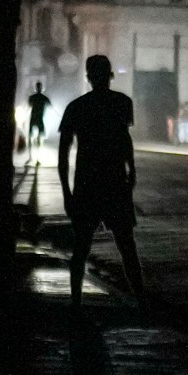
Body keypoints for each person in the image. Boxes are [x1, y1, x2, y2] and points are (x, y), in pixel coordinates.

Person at [57, 54, 147, 308]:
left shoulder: (76, 107)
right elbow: (124, 139)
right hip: (115, 182)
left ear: (88, 78)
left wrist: (67, 192)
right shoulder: (122, 103)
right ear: (109, 76)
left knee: (82, 247)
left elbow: (63, 155)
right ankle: (141, 299)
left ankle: (76, 303)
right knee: (127, 246)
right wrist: (131, 168)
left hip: (87, 184)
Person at [25, 82, 51, 153]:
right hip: (39, 118)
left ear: (35, 88)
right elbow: (50, 105)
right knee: (39, 137)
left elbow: (29, 106)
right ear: (41, 88)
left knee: (31, 136)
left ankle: (31, 156)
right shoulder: (44, 98)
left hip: (33, 118)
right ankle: (37, 156)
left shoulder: (32, 97)